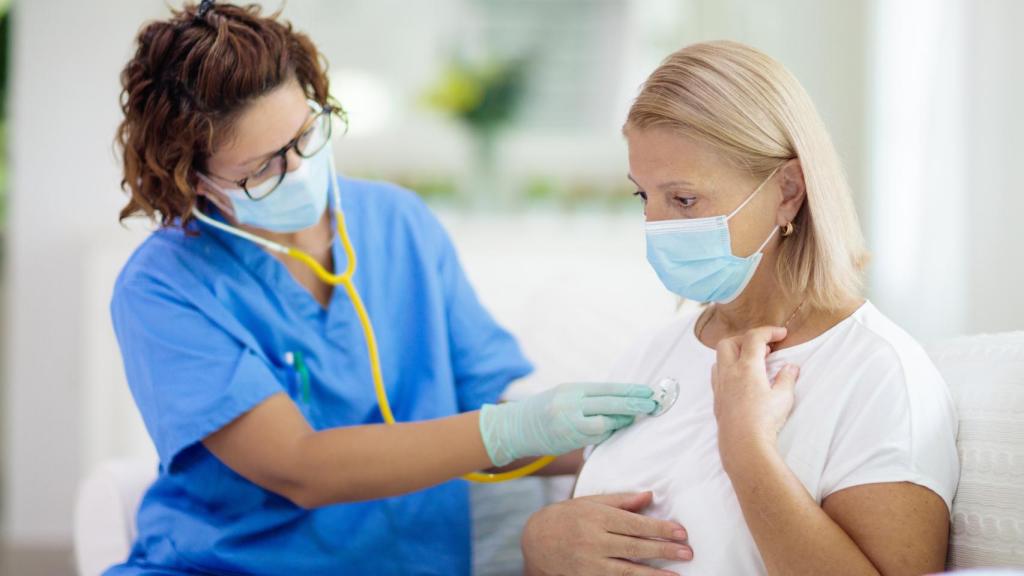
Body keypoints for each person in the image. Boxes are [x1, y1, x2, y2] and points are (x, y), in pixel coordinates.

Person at [107, 2, 656, 574]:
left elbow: (479, 423)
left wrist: (628, 433)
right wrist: (514, 428)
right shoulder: (163, 287)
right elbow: (299, 468)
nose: (298, 168)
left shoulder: (396, 222)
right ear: (192, 178)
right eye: (262, 168)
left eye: (306, 134)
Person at [521, 41, 959, 576]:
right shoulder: (651, 354)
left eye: (683, 200)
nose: (656, 226)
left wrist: (746, 448)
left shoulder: (878, 373)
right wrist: (541, 544)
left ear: (788, 191)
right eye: (644, 197)